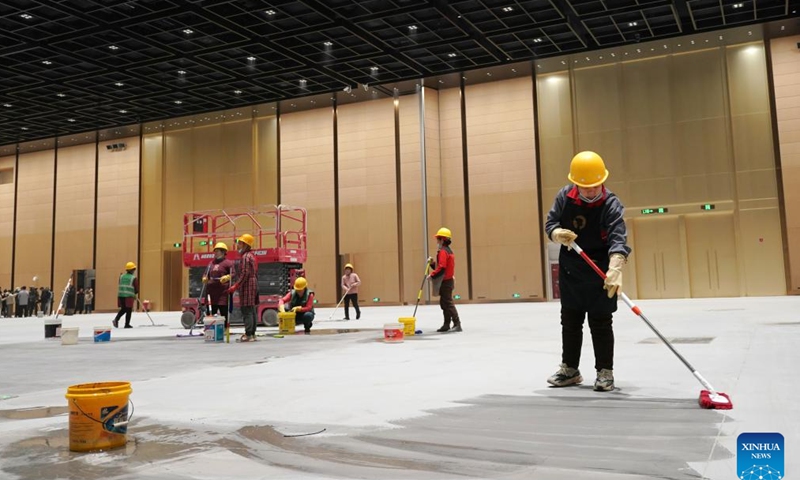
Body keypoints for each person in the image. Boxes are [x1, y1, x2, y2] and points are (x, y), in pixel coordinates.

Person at [544, 151, 631, 392]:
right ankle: (570, 369)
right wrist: (556, 234)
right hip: (572, 268)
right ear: (575, 183)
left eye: (595, 186)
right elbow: (550, 223)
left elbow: (618, 237)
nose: (591, 191)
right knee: (570, 321)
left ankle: (605, 372)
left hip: (601, 270)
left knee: (601, 322)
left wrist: (615, 267)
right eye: (586, 187)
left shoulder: (611, 203)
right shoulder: (564, 197)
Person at [428, 228, 462, 333]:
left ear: (442, 240)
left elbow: (442, 268)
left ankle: (457, 324)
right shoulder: (448, 251)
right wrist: (432, 264)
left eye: (438, 239)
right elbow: (442, 267)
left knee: (447, 302)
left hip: (446, 281)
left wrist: (431, 275)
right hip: (448, 280)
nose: (437, 241)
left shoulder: (443, 251)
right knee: (444, 303)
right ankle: (446, 324)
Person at [226, 234, 259, 342]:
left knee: (247, 310)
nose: (238, 246)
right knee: (252, 309)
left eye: (240, 243)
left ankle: (249, 334)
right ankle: (252, 334)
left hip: (247, 285)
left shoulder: (245, 257)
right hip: (253, 284)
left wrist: (236, 285)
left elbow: (245, 273)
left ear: (245, 245)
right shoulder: (252, 256)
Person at [203, 242, 234, 322]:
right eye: (215, 251)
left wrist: (228, 277)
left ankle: (224, 330)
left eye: (217, 251)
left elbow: (234, 274)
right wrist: (204, 278)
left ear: (223, 252)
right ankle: (211, 330)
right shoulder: (211, 263)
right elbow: (206, 274)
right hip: (211, 294)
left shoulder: (228, 263)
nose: (215, 253)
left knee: (224, 314)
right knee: (211, 314)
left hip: (222, 294)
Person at [113, 262, 139, 328]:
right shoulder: (133, 278)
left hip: (121, 295)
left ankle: (116, 319)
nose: (134, 270)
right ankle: (127, 324)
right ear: (131, 270)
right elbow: (136, 288)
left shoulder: (121, 276)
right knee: (129, 310)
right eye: (133, 269)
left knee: (124, 309)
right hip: (128, 296)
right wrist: (135, 293)